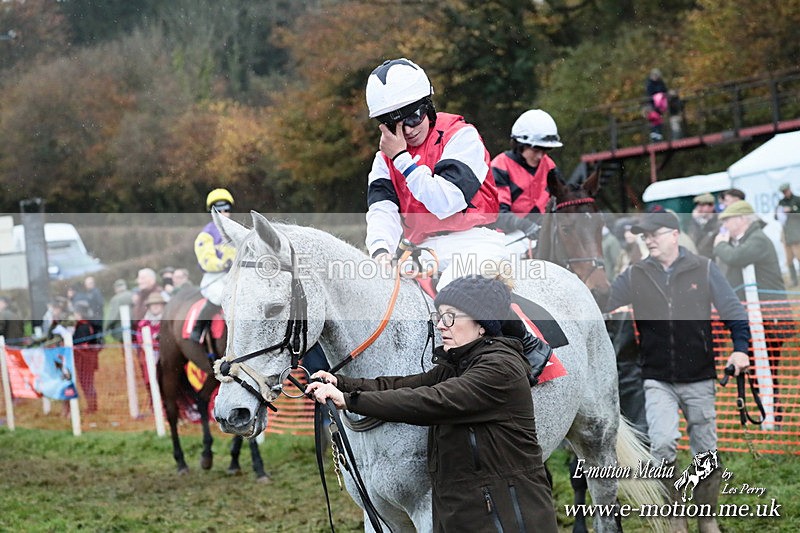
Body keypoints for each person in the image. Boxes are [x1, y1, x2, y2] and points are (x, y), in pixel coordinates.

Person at [306, 273, 558, 533]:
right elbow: (404, 385)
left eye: (450, 316)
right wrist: (342, 383)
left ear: (482, 324)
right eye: (439, 316)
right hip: (469, 512)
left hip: (506, 518)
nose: (440, 325)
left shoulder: (499, 367)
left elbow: (430, 401)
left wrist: (349, 401)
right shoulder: (459, 364)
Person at [605, 210, 751, 533]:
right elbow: (604, 302)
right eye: (644, 235)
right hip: (657, 378)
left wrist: (740, 348)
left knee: (706, 452)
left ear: (673, 234)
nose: (648, 239)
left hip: (699, 377)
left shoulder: (705, 268)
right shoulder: (634, 274)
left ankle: (707, 518)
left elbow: (733, 311)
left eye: (654, 233)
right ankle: (674, 516)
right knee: (662, 444)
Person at [364, 58, 506, 289]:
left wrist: (402, 159)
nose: (407, 130)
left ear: (428, 106)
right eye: (395, 124)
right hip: (421, 249)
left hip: (476, 244)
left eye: (412, 118)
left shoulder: (462, 137)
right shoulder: (384, 159)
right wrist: (380, 250)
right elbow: (382, 210)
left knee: (454, 297)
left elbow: (445, 203)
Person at [714, 200, 787, 420]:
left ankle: (774, 416)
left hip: (768, 318)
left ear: (742, 219)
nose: (725, 225)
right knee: (758, 368)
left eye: (728, 220)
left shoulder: (757, 240)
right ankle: (769, 414)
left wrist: (720, 244)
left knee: (766, 369)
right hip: (758, 317)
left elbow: (735, 257)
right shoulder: (748, 239)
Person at [490, 109, 564, 257]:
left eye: (545, 150)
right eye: (536, 149)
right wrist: (525, 225)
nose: (540, 156)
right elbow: (498, 214)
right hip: (510, 235)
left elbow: (561, 203)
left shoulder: (549, 166)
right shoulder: (500, 165)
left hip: (543, 233)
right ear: (520, 144)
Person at [190, 189, 236, 343]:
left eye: (226, 209)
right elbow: (206, 260)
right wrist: (223, 264)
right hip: (215, 278)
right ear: (212, 212)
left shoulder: (235, 230)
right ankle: (198, 328)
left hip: (234, 275)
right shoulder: (206, 234)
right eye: (219, 210)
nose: (223, 213)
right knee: (219, 297)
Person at [72, 301, 101, 413]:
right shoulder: (86, 325)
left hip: (84, 359)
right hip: (85, 358)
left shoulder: (83, 326)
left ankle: (92, 407)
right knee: (87, 383)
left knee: (87, 383)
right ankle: (91, 405)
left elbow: (82, 344)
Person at [136, 291, 166, 392]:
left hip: (167, 357)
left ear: (163, 306)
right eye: (153, 304)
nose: (155, 307)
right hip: (150, 358)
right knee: (152, 385)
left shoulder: (168, 322)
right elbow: (141, 341)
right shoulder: (143, 324)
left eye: (158, 304)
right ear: (149, 307)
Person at [776, 182, 800, 287]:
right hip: (786, 235)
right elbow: (776, 216)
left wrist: (791, 210)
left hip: (796, 233)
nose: (785, 193)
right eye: (783, 192)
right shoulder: (781, 202)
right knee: (789, 260)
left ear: (789, 189)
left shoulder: (797, 200)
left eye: (786, 191)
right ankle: (794, 281)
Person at [687, 192, 719, 258]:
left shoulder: (718, 222)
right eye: (698, 205)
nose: (699, 209)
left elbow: (706, 246)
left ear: (712, 206)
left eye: (703, 205)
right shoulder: (696, 222)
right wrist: (696, 222)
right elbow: (692, 241)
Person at [644, 68, 668, 141]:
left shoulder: (660, 83)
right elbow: (649, 95)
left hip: (660, 105)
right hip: (653, 106)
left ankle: (658, 139)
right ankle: (655, 140)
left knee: (659, 123)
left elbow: (665, 91)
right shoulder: (650, 84)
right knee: (654, 123)